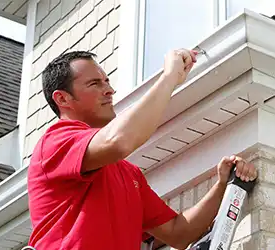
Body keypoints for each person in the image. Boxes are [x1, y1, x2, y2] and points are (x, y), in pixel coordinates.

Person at [27, 48, 257, 250]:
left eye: (107, 81)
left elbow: (178, 233)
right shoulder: (54, 144)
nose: (109, 90)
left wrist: (221, 185)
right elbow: (120, 141)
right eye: (95, 83)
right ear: (63, 99)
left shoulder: (128, 174)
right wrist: (169, 77)